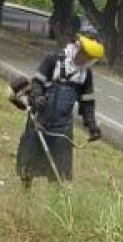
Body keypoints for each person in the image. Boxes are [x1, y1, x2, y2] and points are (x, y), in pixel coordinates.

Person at [11, 26, 104, 186]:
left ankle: (56, 194)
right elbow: (37, 81)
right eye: (84, 54)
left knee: (58, 166)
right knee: (30, 155)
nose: (85, 59)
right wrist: (38, 96)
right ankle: (25, 187)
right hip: (40, 117)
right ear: (76, 46)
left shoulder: (85, 74)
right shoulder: (53, 59)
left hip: (62, 125)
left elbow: (87, 102)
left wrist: (92, 125)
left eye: (89, 57)